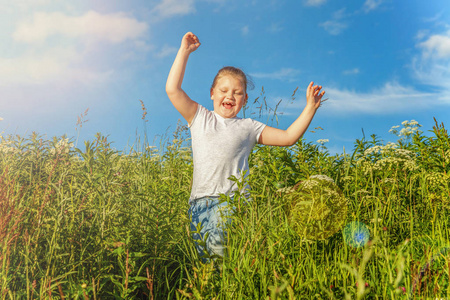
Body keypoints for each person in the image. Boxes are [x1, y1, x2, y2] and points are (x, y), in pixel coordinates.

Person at [166, 32, 325, 261]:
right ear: (212, 93)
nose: (230, 96)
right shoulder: (200, 117)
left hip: (231, 203)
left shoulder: (249, 127)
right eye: (223, 90)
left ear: (245, 100)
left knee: (222, 262)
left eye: (237, 93)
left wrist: (310, 107)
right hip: (198, 206)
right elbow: (173, 89)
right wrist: (184, 51)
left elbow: (289, 137)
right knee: (207, 270)